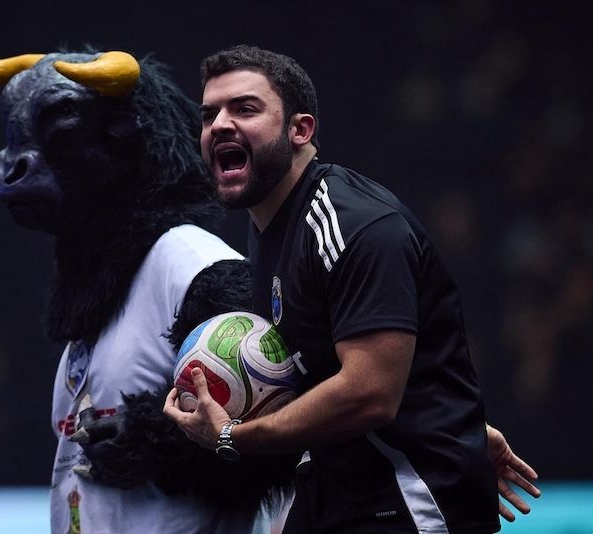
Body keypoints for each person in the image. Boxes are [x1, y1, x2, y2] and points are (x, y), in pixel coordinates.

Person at [165, 45, 539, 533]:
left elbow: (370, 394)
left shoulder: (353, 224)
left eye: (245, 109)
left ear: (300, 130)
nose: (219, 125)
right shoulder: (270, 227)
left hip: (410, 499)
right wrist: (455, 421)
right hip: (341, 486)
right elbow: (332, 362)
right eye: (209, 114)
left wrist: (236, 436)